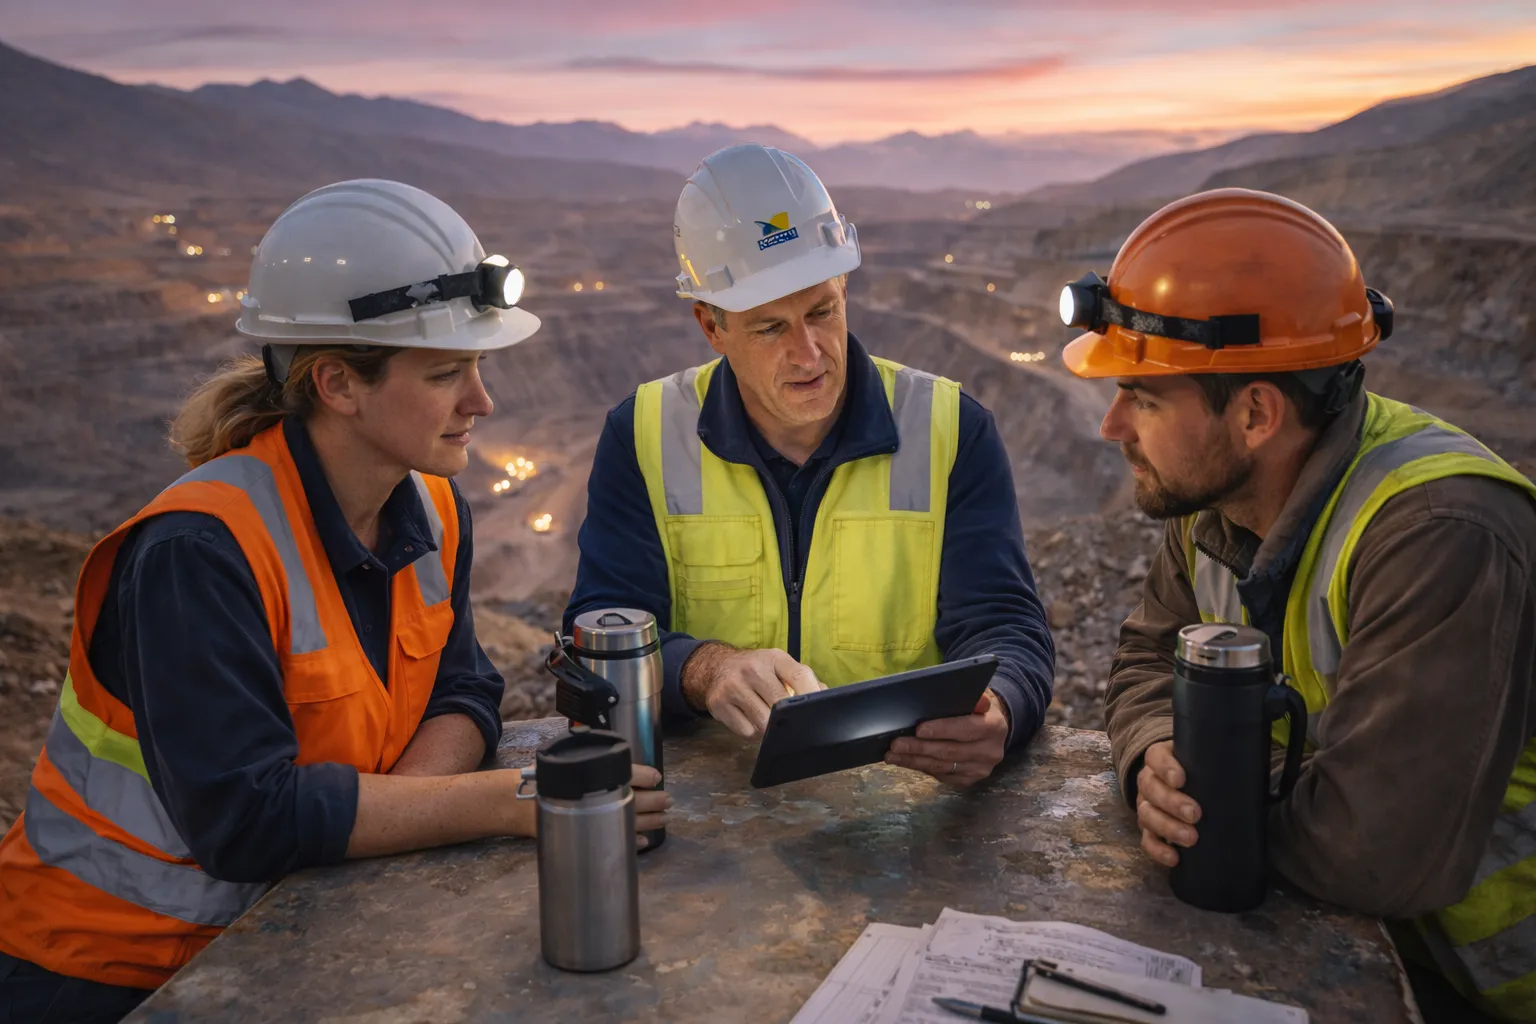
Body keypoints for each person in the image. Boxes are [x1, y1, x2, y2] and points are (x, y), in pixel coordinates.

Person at [0, 179, 668, 1023]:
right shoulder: (198, 553)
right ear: (338, 385)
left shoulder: (431, 507)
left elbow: (463, 690)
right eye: (445, 373)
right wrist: (510, 803)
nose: (482, 402)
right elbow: (246, 820)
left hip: (291, 936)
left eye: (479, 368)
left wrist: (413, 811)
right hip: (111, 968)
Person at [1058, 187, 1536, 1022]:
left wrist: (1217, 795)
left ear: (1254, 413)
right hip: (1383, 970)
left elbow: (1373, 852)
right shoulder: (1215, 504)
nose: (1111, 427)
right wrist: (1156, 760)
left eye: (1142, 396)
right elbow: (1142, 663)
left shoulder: (1439, 533)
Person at [565, 144, 1055, 786]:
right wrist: (705, 668)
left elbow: (1006, 624)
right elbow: (599, 628)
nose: (809, 353)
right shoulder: (644, 435)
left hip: (900, 810)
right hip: (716, 816)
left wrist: (1002, 711)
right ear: (711, 326)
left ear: (844, 286)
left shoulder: (951, 429)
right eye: (770, 328)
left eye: (823, 311)